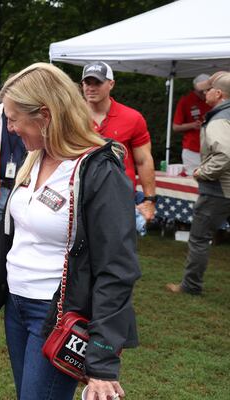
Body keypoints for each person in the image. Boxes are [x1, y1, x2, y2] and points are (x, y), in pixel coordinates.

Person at [0, 63, 140, 400]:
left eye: (14, 117)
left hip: (56, 314)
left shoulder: (98, 170)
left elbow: (117, 267)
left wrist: (102, 362)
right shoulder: (34, 157)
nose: (10, 127)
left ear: (44, 115)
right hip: (17, 307)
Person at [166, 72, 230, 296]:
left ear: (219, 93)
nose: (205, 93)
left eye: (209, 90)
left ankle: (190, 286)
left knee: (199, 237)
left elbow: (224, 154)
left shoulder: (219, 119)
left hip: (218, 188)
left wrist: (203, 172)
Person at [81, 61, 157, 221]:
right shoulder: (71, 117)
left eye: (98, 82)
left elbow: (143, 161)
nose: (91, 87)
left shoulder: (132, 118)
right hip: (80, 197)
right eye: (87, 82)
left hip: (120, 199)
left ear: (111, 84)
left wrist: (150, 200)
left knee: (118, 245)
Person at [172, 74, 212, 175]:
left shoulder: (214, 100)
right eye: (201, 91)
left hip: (212, 149)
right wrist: (192, 125)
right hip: (192, 150)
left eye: (207, 90)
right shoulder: (186, 101)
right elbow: (175, 127)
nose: (204, 93)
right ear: (195, 88)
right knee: (193, 181)